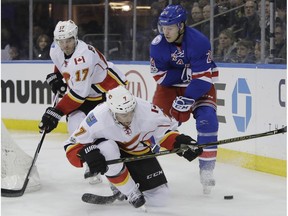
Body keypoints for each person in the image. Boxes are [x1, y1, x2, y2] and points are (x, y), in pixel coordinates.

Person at [63, 86, 202, 209]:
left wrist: (180, 142)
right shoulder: (97, 117)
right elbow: (71, 145)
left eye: (131, 111)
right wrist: (87, 154)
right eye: (123, 114)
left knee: (160, 199)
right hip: (111, 151)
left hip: (137, 150)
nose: (129, 117)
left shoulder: (147, 110)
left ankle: (120, 182)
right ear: (112, 111)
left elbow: (165, 132)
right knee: (108, 148)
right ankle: (129, 191)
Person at [38, 20, 127, 184]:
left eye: (69, 40)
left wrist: (56, 112)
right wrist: (58, 77)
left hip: (107, 90)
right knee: (76, 130)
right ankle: (93, 162)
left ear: (75, 37)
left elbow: (78, 96)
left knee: (105, 131)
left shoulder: (83, 57)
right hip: (84, 90)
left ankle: (118, 171)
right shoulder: (54, 48)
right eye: (61, 41)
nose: (65, 45)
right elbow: (61, 64)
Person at [149, 4, 219, 195]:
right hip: (169, 89)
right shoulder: (157, 44)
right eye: (163, 27)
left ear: (181, 26)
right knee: (152, 126)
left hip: (198, 88)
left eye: (170, 27)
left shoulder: (199, 42)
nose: (166, 31)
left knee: (208, 121)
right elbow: (160, 77)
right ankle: (141, 171)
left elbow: (204, 79)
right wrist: (188, 72)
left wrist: (188, 97)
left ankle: (206, 171)